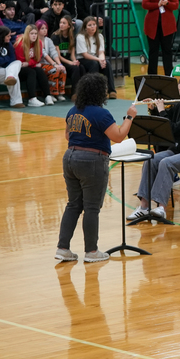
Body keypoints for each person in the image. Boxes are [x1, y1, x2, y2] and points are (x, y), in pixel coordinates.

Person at [56, 74, 139, 262]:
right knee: (92, 208)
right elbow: (118, 136)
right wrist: (129, 117)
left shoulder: (73, 111)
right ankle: (91, 252)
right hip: (92, 161)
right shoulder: (101, 114)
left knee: (73, 204)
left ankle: (63, 248)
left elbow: (68, 137)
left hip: (70, 158)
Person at [128, 77, 180, 222]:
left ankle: (161, 208)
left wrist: (162, 110)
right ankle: (144, 206)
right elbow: (162, 124)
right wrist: (154, 109)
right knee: (151, 160)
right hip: (177, 151)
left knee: (166, 163)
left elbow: (174, 130)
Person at [141, 0, 179, 76]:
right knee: (153, 50)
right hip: (152, 24)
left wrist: (167, 4)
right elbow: (144, 4)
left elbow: (176, 5)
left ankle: (169, 74)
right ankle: (152, 75)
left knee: (167, 50)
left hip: (167, 25)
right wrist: (156, 5)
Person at [14, 24, 54, 107]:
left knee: (40, 71)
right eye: (32, 33)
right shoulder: (20, 43)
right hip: (19, 68)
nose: (34, 36)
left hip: (29, 65)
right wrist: (32, 63)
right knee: (31, 72)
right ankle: (32, 99)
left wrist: (29, 63)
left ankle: (47, 95)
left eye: (35, 33)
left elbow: (38, 59)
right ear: (27, 34)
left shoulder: (38, 42)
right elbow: (21, 62)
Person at [77, 16, 115, 97]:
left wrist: (102, 60)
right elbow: (85, 55)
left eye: (94, 24)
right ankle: (94, 91)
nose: (92, 27)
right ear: (85, 27)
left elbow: (101, 52)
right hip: (83, 59)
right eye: (90, 25)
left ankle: (112, 90)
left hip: (95, 58)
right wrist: (98, 60)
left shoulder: (99, 36)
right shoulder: (80, 37)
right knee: (94, 64)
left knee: (107, 63)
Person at [36, 20, 67, 100]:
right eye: (42, 28)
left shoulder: (48, 40)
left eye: (45, 28)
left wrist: (59, 64)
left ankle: (60, 93)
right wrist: (54, 64)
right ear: (37, 30)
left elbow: (54, 52)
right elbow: (44, 54)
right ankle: (52, 93)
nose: (44, 30)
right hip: (39, 64)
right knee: (54, 70)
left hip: (49, 63)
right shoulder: (36, 41)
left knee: (63, 70)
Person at [52, 15, 82, 93]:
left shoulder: (72, 37)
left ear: (69, 25)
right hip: (59, 62)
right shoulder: (55, 36)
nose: (61, 25)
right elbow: (58, 56)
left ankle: (81, 92)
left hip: (68, 61)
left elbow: (72, 55)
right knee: (75, 68)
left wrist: (75, 61)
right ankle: (74, 93)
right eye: (60, 23)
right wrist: (71, 63)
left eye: (64, 23)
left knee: (80, 67)